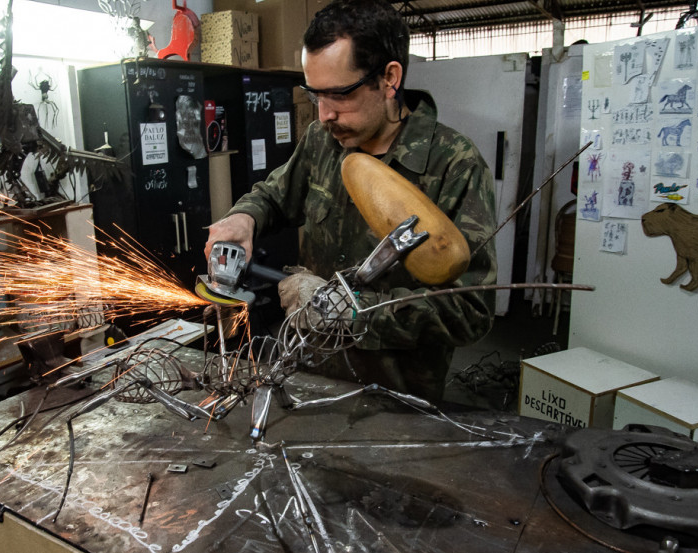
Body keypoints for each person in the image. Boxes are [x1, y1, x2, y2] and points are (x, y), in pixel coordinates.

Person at [204, 0, 498, 401]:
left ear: (390, 78)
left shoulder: (455, 164)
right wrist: (245, 218)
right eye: (314, 94)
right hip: (308, 373)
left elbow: (469, 311)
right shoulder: (322, 141)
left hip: (394, 401)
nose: (323, 114)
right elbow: (274, 196)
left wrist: (346, 310)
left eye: (339, 95)